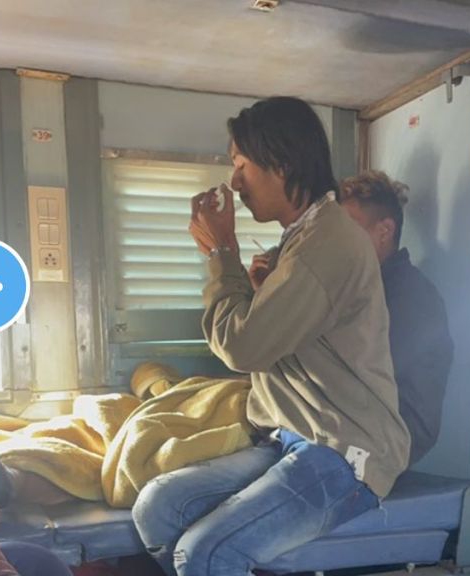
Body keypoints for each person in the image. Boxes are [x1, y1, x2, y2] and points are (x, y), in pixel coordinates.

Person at [132, 96, 410, 576]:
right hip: (289, 435)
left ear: (281, 164)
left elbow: (243, 347)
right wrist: (252, 281)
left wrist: (222, 251)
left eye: (241, 164)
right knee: (156, 506)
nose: (234, 182)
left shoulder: (328, 242)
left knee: (205, 553)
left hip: (343, 451)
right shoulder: (299, 238)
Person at [337, 170, 453, 465]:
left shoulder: (412, 298)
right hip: (360, 424)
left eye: (348, 229)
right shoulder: (367, 287)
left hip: (393, 438)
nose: (337, 243)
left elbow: (362, 373)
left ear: (384, 231)